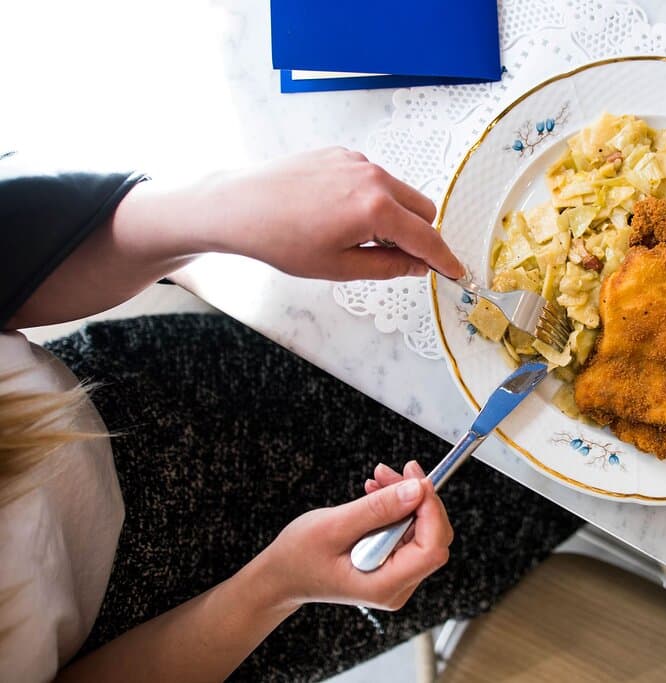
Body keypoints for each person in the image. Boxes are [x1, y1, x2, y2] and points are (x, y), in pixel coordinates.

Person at [0, 149, 582, 681]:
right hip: (196, 623)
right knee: (527, 504)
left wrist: (227, 212)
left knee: (384, 352)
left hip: (134, 395)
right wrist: (277, 586)